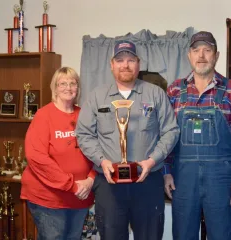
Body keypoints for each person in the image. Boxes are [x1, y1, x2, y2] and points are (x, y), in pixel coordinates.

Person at [76, 40, 180, 240]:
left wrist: (152, 161)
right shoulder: (97, 97)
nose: (125, 65)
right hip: (109, 183)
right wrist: (102, 161)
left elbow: (171, 131)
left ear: (138, 64)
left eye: (131, 60)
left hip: (147, 181)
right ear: (111, 64)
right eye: (120, 60)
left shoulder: (155, 94)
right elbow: (84, 134)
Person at [163, 31, 231, 240]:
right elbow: (165, 136)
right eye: (196, 50)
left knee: (223, 234)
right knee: (183, 235)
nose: (201, 55)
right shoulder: (175, 91)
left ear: (216, 55)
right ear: (189, 55)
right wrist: (166, 171)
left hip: (222, 178)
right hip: (183, 177)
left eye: (207, 50)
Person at [21, 67, 96, 240]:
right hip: (48, 197)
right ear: (54, 88)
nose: (68, 87)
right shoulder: (43, 115)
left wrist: (91, 179)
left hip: (80, 196)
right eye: (63, 83)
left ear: (78, 88)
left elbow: (98, 150)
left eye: (73, 83)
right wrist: (71, 185)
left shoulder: (85, 115)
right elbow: (37, 158)